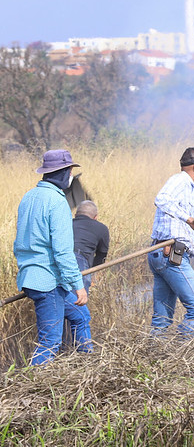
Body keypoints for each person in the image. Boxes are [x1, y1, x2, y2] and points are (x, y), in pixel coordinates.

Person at [14, 149, 92, 365]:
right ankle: (30, 388)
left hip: (32, 277)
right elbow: (63, 252)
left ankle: (89, 366)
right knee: (50, 342)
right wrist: (78, 286)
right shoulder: (57, 202)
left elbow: (19, 242)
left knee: (81, 316)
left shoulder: (29, 196)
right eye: (69, 171)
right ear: (62, 173)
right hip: (47, 282)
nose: (70, 176)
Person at [148, 146, 194, 338]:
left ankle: (154, 358)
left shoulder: (190, 191)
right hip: (170, 255)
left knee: (162, 319)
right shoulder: (180, 180)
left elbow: (183, 235)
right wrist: (189, 218)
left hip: (166, 253)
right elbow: (161, 199)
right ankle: (181, 353)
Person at [72, 200, 110, 294]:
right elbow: (101, 256)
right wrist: (91, 271)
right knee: (78, 302)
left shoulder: (66, 223)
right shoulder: (102, 228)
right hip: (80, 262)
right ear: (95, 217)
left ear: (76, 215)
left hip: (60, 259)